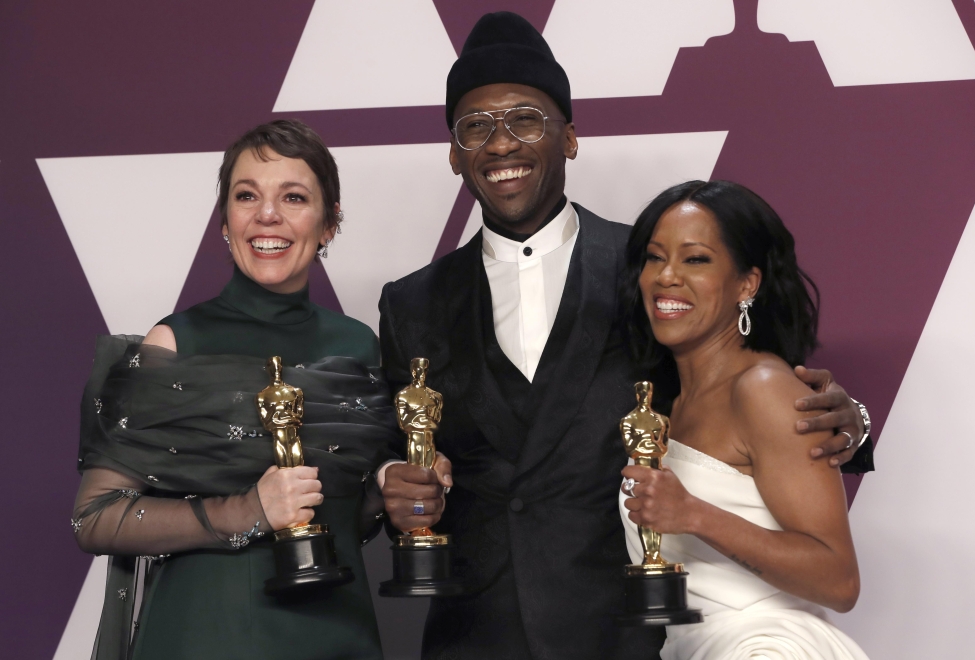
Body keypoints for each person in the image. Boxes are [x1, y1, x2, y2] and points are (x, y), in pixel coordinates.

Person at [378, 11, 873, 660]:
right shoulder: (412, 302)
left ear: (571, 138)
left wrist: (852, 423)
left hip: (629, 632)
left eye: (525, 119)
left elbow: (741, 394)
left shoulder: (648, 272)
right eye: (476, 127)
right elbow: (399, 446)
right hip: (476, 634)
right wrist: (392, 477)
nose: (501, 145)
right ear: (454, 153)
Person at [72, 119, 396, 659]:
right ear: (225, 220)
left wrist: (391, 490)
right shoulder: (177, 340)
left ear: (330, 223)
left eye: (293, 197)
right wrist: (246, 510)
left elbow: (345, 518)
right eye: (247, 196)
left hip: (339, 634)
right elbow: (95, 517)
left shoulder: (359, 345)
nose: (267, 215)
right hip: (205, 635)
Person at [620, 180, 868, 659]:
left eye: (695, 259)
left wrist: (695, 514)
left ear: (747, 283)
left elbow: (840, 581)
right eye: (654, 257)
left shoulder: (762, 389)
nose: (667, 276)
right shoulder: (671, 403)